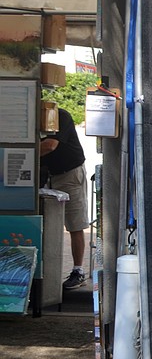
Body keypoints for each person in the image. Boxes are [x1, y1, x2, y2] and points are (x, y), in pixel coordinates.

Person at [40, 108, 88, 289]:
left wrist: (25, 152)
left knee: (75, 224)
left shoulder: (60, 116)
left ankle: (78, 270)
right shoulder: (32, 121)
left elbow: (50, 145)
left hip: (70, 173)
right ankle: (43, 270)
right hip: (50, 174)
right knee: (46, 223)